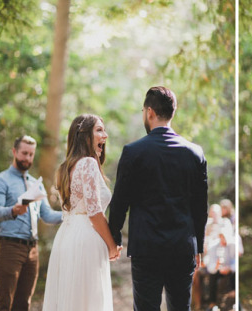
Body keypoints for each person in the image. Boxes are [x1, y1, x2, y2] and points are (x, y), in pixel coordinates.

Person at [108, 86, 208, 311]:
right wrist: (199, 245)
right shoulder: (195, 153)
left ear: (150, 112)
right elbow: (200, 207)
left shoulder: (133, 152)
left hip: (147, 248)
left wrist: (114, 238)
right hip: (183, 247)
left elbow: (120, 202)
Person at [42, 114, 121, 311]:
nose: (105, 135)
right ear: (84, 135)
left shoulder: (64, 168)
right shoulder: (88, 164)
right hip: (86, 237)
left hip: (66, 237)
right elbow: (94, 212)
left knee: (71, 299)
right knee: (88, 301)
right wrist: (112, 246)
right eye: (99, 130)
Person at [0, 135, 62, 311]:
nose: (27, 158)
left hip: (32, 250)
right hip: (9, 247)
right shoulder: (1, 180)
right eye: (24, 153)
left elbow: (48, 215)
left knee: (23, 304)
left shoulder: (36, 185)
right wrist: (12, 211)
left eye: (31, 154)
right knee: (4, 302)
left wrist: (71, 215)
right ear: (14, 152)